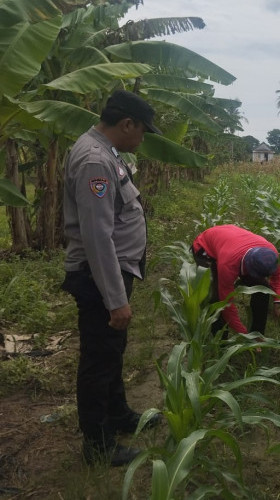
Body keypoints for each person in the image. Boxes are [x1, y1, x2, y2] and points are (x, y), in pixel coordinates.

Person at [61, 90, 162, 466]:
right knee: (99, 358)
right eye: (143, 130)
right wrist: (115, 299)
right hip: (98, 275)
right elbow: (97, 236)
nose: (143, 138)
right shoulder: (94, 161)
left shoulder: (107, 153)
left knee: (112, 350)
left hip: (110, 272)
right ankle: (98, 443)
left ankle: (118, 414)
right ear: (126, 124)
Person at [191, 224, 280, 335]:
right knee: (217, 300)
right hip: (205, 247)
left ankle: (257, 335)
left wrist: (277, 304)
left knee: (263, 288)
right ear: (248, 267)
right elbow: (226, 304)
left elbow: (277, 277)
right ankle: (221, 343)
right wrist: (243, 334)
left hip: (231, 239)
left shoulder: (271, 255)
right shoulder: (228, 264)